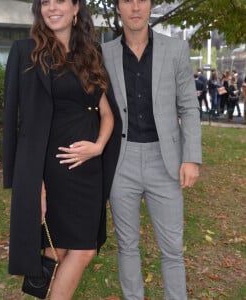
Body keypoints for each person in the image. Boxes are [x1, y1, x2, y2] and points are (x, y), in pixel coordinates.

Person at [2, 0, 121, 299]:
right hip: (51, 169)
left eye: (60, 1)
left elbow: (107, 113)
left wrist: (98, 147)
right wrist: (33, 184)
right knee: (72, 250)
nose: (52, 7)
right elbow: (18, 123)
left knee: (72, 249)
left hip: (89, 171)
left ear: (76, 8)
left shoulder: (92, 53)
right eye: (45, 2)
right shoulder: (25, 52)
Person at [101, 0, 202, 299]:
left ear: (150, 5)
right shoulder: (103, 53)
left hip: (166, 160)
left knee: (172, 249)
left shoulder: (175, 50)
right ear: (118, 7)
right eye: (127, 1)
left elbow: (189, 106)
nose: (135, 7)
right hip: (122, 161)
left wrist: (192, 157)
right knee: (127, 246)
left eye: (141, 0)